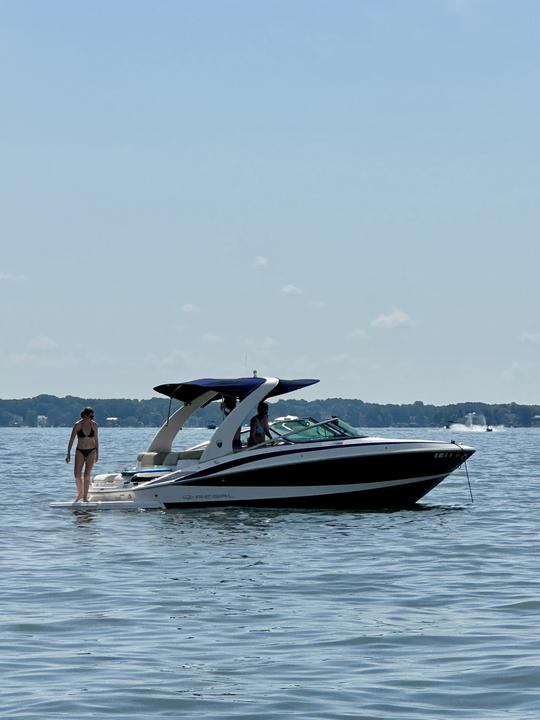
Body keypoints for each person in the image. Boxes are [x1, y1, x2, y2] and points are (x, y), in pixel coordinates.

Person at [66, 407, 99, 502]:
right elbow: (71, 439)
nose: (92, 418)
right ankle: (80, 494)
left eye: (93, 416)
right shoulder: (77, 425)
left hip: (91, 451)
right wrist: (68, 453)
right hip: (80, 451)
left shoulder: (94, 425)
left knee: (87, 475)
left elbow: (96, 440)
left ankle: (85, 497)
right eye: (91, 416)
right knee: (77, 475)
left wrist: (97, 453)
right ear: (85, 415)